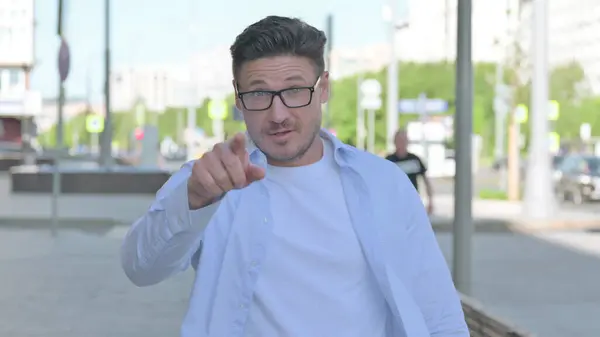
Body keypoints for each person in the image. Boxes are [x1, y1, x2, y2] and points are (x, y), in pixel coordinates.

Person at [120, 16, 468, 337]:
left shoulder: (383, 184)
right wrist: (192, 201)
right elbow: (141, 268)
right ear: (239, 99)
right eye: (259, 93)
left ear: (324, 89)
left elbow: (437, 309)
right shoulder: (210, 182)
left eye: (295, 90)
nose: (278, 113)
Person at [386, 129, 434, 214]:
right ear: (394, 142)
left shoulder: (414, 160)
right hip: (394, 204)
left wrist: (430, 200)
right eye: (399, 140)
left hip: (412, 203)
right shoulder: (389, 161)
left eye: (403, 140)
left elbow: (426, 181)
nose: (401, 143)